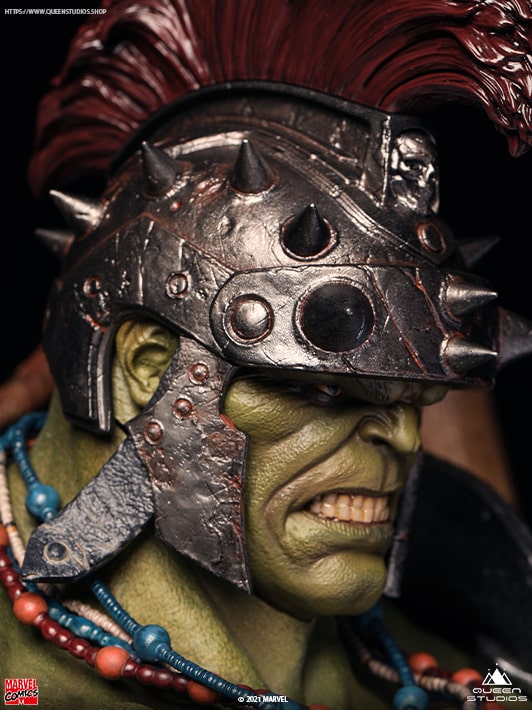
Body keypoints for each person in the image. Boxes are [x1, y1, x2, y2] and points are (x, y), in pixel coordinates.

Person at [1, 2, 531, 708]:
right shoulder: (22, 685)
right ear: (146, 371)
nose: (405, 440)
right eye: (324, 389)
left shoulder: (463, 669)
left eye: (416, 399)